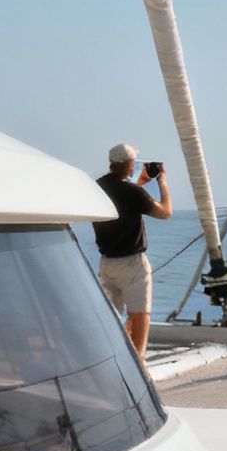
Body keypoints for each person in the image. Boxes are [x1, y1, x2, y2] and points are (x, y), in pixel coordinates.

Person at [93, 143, 171, 356]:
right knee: (140, 313)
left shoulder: (98, 186)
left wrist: (140, 184)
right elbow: (165, 213)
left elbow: (123, 201)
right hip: (132, 262)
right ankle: (139, 358)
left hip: (106, 261)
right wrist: (162, 183)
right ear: (129, 164)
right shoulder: (132, 191)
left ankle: (112, 353)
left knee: (112, 313)